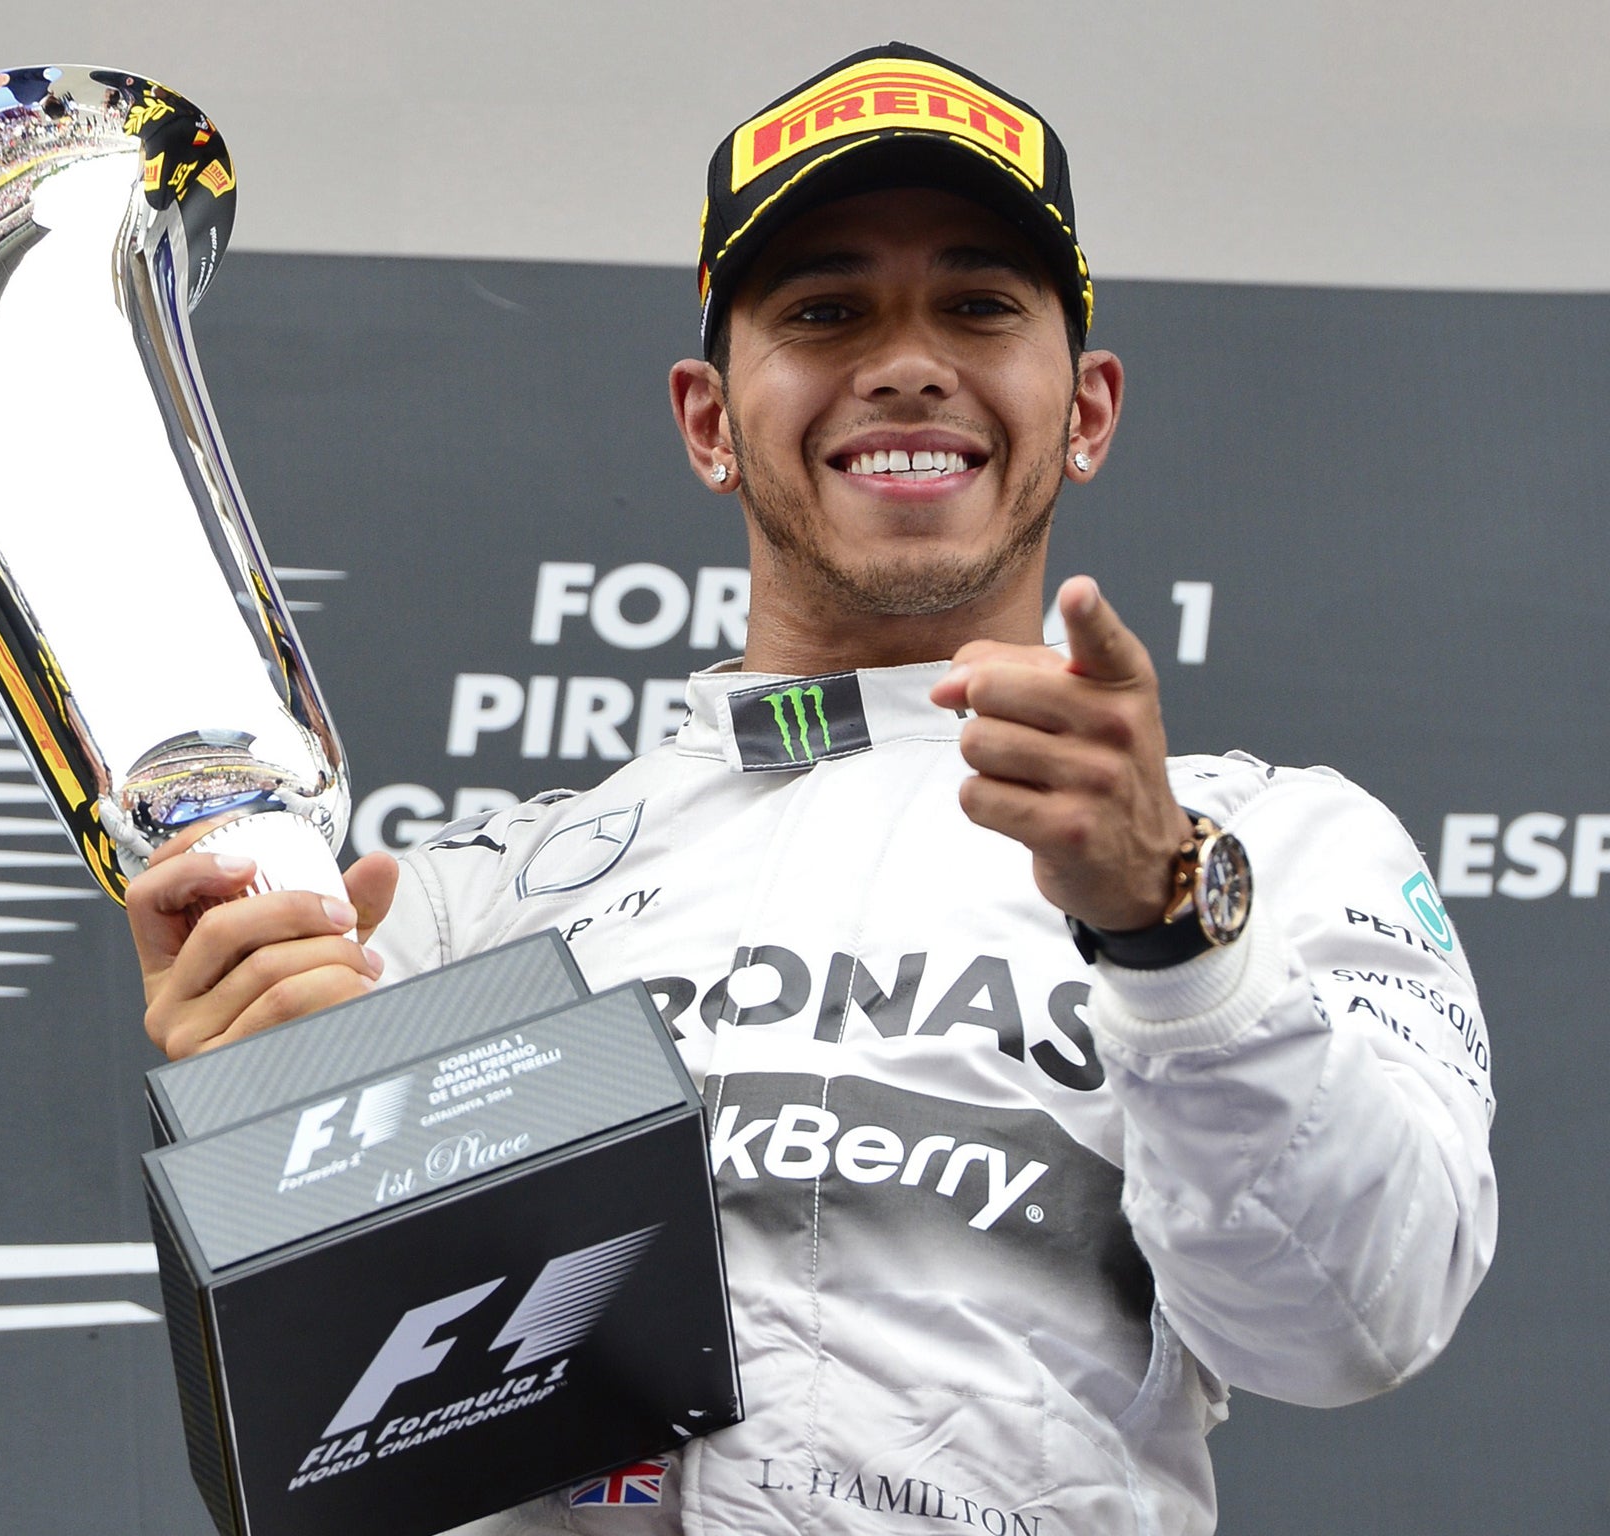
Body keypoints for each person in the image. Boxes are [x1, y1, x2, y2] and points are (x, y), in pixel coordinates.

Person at [127, 42, 1496, 1535]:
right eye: (826, 310)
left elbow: (1351, 1330)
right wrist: (284, 1116)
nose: (907, 360)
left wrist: (1171, 933)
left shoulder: (1269, 848)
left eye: (978, 303)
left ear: (1087, 410)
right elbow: (357, 1458)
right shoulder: (468, 906)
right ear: (711, 421)